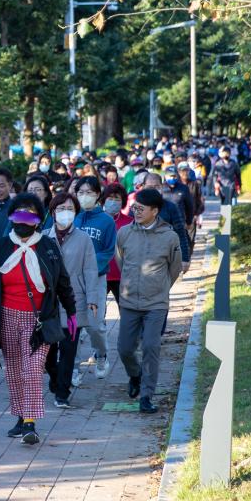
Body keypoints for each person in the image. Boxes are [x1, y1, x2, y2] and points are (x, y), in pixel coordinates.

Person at [0, 193, 77, 445]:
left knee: (32, 370)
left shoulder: (49, 247)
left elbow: (62, 281)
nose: (23, 219)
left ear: (38, 220)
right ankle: (20, 416)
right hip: (7, 315)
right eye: (18, 213)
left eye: (29, 214)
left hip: (40, 319)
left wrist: (72, 312)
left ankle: (30, 423)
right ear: (11, 217)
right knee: (15, 371)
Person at [116, 190, 183, 414]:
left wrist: (160, 288)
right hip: (128, 302)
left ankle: (146, 396)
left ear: (155, 211)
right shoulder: (124, 233)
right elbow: (120, 261)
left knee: (151, 347)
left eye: (141, 208)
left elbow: (174, 269)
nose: (136, 211)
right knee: (124, 349)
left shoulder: (169, 237)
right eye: (135, 207)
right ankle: (135, 375)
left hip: (156, 304)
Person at [44, 192, 99, 408]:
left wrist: (93, 298)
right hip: (48, 303)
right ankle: (56, 378)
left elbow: (91, 270)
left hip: (74, 301)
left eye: (69, 209)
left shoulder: (84, 239)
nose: (65, 213)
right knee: (48, 351)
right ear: (52, 212)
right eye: (60, 209)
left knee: (69, 349)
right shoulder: (43, 238)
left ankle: (62, 392)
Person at [71, 176, 117, 384]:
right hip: (71, 278)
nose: (84, 197)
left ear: (98, 195)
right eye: (81, 192)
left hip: (96, 278)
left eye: (89, 192)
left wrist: (90, 266)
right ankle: (72, 366)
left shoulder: (106, 221)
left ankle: (101, 355)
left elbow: (108, 251)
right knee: (71, 323)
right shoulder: (71, 216)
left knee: (95, 324)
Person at [142, 173, 192, 272]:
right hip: (141, 257)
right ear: (143, 187)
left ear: (162, 187)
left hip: (164, 257)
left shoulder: (171, 207)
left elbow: (180, 233)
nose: (153, 189)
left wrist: (185, 258)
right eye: (149, 187)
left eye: (156, 186)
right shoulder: (136, 208)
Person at [100, 183, 132, 305]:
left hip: (122, 276)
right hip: (101, 275)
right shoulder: (98, 220)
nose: (113, 202)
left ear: (122, 202)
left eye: (117, 199)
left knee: (126, 310)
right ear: (104, 200)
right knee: (97, 313)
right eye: (110, 198)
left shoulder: (130, 222)